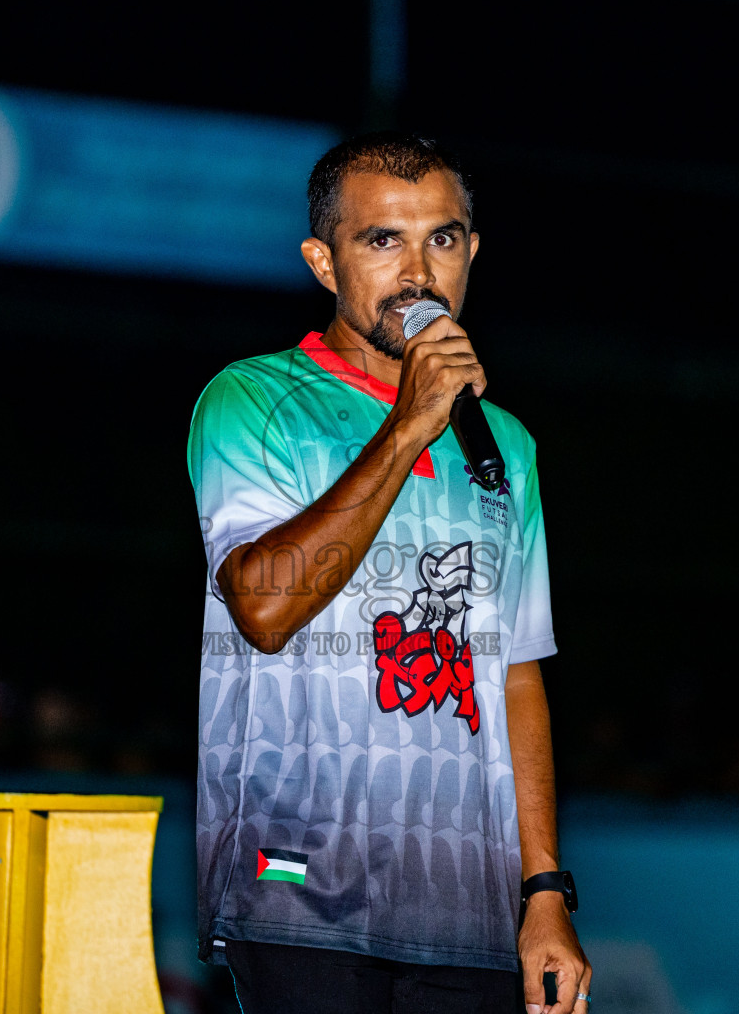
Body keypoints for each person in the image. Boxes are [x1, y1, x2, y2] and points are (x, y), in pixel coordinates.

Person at [188, 133, 590, 1014]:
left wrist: (545, 892)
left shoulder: (507, 446)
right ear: (323, 261)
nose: (419, 273)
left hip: (466, 904)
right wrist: (408, 426)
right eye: (383, 241)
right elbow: (262, 606)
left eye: (442, 239)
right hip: (296, 885)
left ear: (472, 252)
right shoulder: (252, 401)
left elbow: (515, 676)